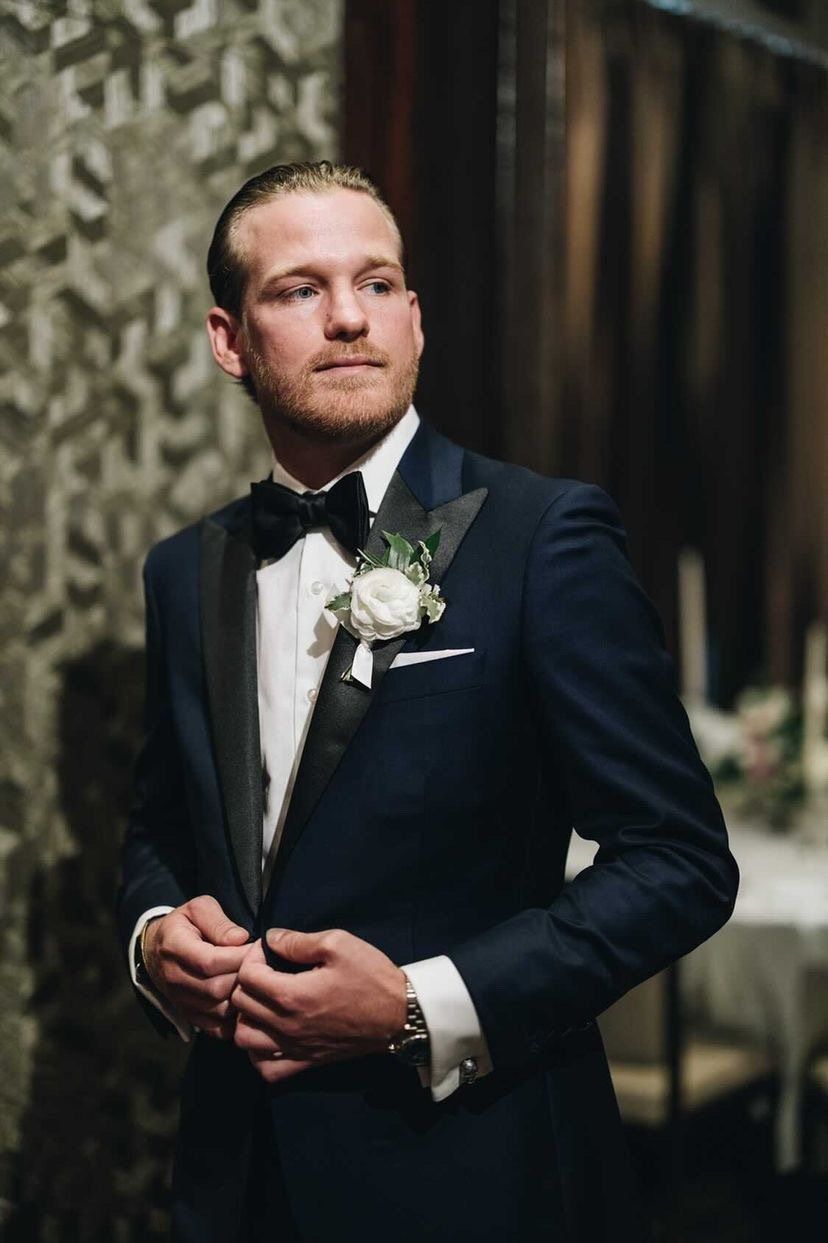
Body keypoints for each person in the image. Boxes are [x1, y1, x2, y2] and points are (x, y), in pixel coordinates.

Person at [117, 161, 738, 1242]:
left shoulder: (545, 538)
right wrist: (157, 936)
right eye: (300, 290)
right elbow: (161, 823)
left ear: (415, 317)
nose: (349, 317)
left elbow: (679, 862)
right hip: (238, 1176)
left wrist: (418, 1002)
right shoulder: (188, 568)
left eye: (378, 283)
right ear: (230, 340)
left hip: (472, 1170)